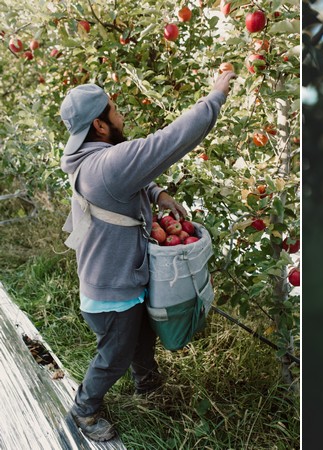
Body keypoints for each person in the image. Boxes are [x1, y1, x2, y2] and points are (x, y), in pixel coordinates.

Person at [59, 70, 236, 442]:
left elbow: (127, 179)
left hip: (115, 277)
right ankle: (84, 409)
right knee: (114, 356)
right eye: (115, 109)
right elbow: (167, 142)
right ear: (99, 125)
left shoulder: (89, 158)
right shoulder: (108, 166)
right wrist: (215, 96)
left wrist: (156, 193)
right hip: (112, 290)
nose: (121, 114)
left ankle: (147, 383)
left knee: (141, 334)